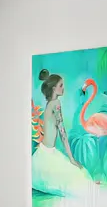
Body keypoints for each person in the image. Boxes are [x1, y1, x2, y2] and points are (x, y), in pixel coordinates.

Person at [32, 69, 95, 197]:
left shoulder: (50, 104)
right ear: (54, 88)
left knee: (77, 179)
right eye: (61, 85)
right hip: (47, 156)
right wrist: (71, 158)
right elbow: (63, 133)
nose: (63, 88)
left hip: (44, 153)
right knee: (78, 179)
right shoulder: (56, 104)